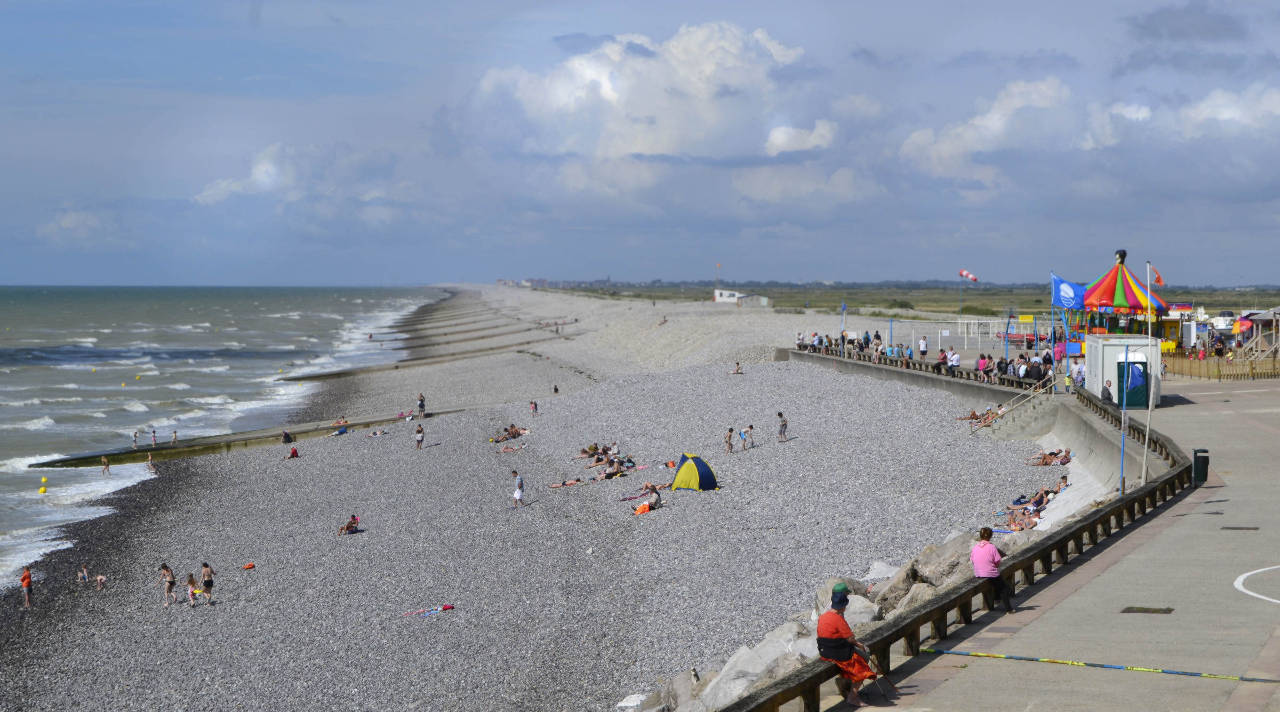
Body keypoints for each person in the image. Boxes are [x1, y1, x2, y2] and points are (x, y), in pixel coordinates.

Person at [816, 589, 877, 706]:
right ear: (843, 606)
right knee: (863, 669)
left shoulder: (823, 617)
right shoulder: (839, 619)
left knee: (858, 658)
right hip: (839, 653)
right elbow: (850, 639)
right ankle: (852, 696)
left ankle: (845, 683)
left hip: (825, 652)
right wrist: (859, 645)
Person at [971, 527, 1014, 613]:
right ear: (990, 536)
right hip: (990, 573)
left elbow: (972, 560)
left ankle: (996, 598)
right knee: (1004, 588)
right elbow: (997, 561)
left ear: (980, 536)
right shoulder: (992, 547)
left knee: (997, 583)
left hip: (978, 573)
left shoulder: (975, 547)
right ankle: (1009, 609)